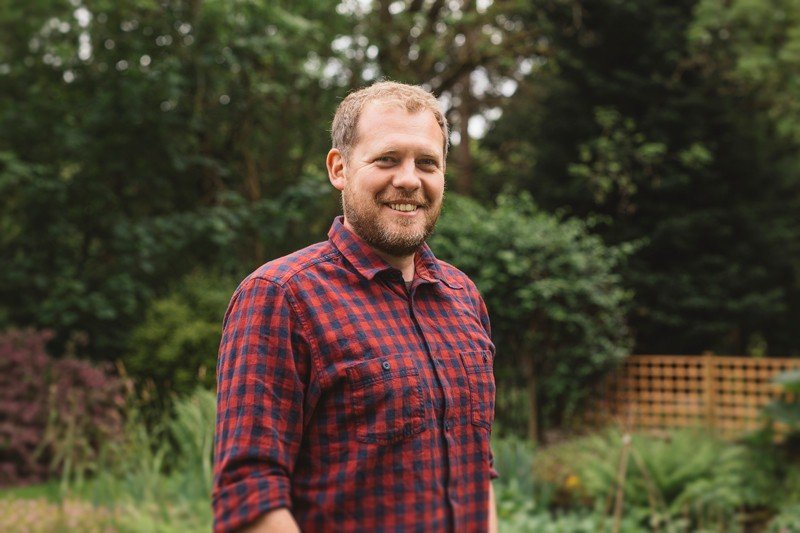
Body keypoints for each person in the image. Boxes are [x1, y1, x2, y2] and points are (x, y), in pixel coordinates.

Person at [213, 81, 497, 532]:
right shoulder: (281, 296)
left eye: (427, 163)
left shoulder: (463, 297)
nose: (409, 179)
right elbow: (249, 495)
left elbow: (477, 469)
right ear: (339, 168)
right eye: (387, 159)